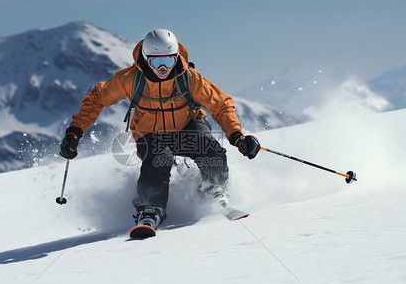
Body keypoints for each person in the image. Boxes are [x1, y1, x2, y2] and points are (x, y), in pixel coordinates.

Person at [60, 29, 260, 229]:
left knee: (209, 147)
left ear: (176, 58)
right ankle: (150, 208)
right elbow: (96, 99)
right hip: (150, 135)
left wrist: (237, 136)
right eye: (156, 62)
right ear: (146, 60)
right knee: (158, 159)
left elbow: (221, 104)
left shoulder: (189, 78)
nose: (163, 68)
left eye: (169, 61)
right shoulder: (130, 79)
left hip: (186, 127)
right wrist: (75, 131)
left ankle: (214, 189)